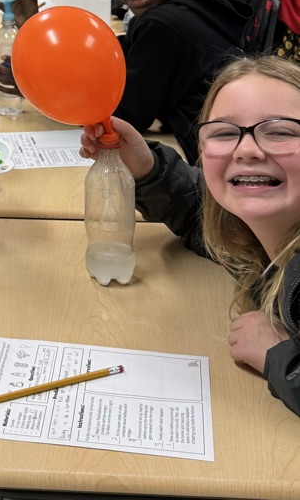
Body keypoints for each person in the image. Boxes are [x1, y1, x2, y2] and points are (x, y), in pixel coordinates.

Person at [81, 55, 300, 418]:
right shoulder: (260, 227)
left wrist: (279, 358)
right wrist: (147, 168)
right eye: (224, 133)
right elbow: (209, 219)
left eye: (280, 131)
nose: (247, 149)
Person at [0, 0, 250, 164]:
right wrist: (34, 30)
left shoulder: (165, 24)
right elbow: (109, 58)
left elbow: (123, 118)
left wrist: (45, 86)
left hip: (217, 166)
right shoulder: (194, 6)